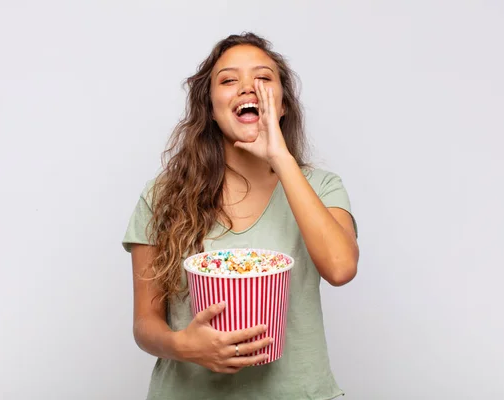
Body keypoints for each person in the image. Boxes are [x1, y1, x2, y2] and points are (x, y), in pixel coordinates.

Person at [122, 32, 359, 400]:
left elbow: (341, 268)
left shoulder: (322, 187)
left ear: (282, 106)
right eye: (229, 80)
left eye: (263, 79)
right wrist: (185, 346)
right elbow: (144, 323)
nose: (248, 88)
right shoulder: (162, 196)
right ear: (211, 107)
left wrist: (280, 157)